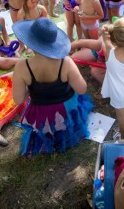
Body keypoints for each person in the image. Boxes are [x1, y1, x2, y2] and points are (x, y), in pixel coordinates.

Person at [12, 18, 93, 156]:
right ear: (54, 43)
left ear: (30, 42)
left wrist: (30, 89)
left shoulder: (22, 66)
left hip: (41, 114)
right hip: (66, 111)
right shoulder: (65, 61)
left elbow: (19, 100)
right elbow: (82, 89)